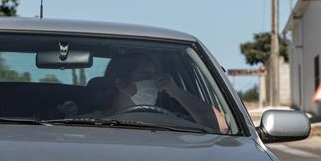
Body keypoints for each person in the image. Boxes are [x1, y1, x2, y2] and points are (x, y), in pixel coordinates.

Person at [96, 52, 228, 133]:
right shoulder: (92, 122)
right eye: (145, 76)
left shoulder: (175, 122)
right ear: (122, 84)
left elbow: (221, 127)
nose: (154, 81)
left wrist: (176, 92)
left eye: (156, 76)